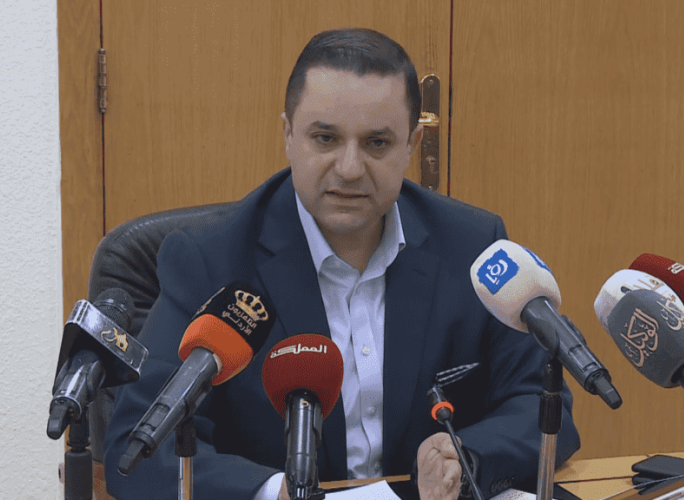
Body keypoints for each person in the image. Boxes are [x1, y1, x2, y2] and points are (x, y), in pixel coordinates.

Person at [103, 27, 580, 500]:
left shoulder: (473, 246)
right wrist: (272, 493)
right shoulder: (210, 260)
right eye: (326, 138)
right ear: (288, 135)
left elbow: (540, 405)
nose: (350, 168)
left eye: (377, 143)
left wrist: (466, 456)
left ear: (411, 145)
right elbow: (139, 447)